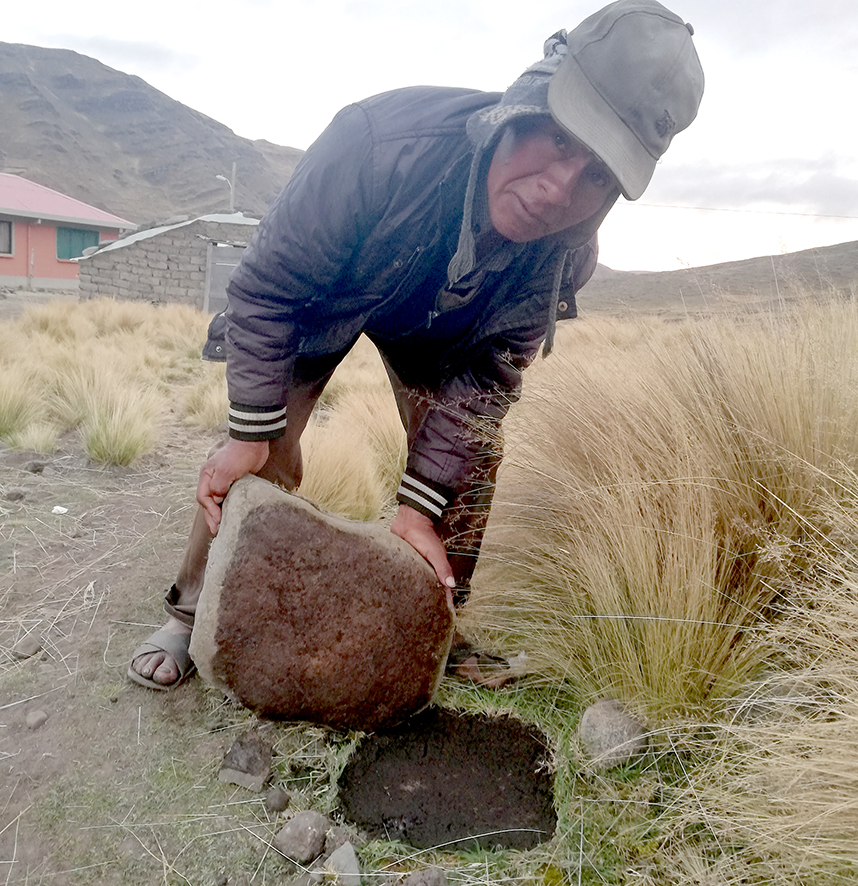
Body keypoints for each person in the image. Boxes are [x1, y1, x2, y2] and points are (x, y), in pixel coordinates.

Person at [129, 0, 704, 690]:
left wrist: (419, 503)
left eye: (599, 177)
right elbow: (265, 288)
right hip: (321, 303)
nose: (560, 190)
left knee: (472, 462)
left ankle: (435, 620)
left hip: (448, 341)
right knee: (262, 451)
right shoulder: (375, 144)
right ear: (528, 97)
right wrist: (252, 429)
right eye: (558, 139)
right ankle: (191, 615)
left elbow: (488, 382)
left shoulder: (562, 258)